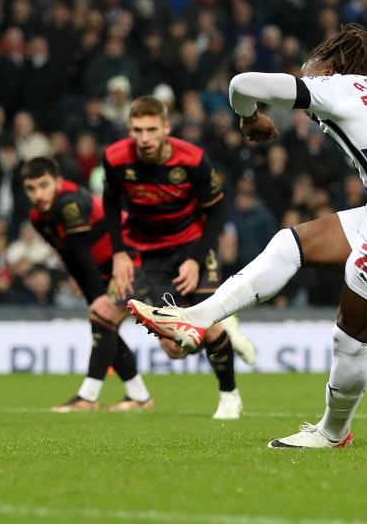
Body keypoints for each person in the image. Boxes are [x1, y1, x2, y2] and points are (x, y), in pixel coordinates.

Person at [129, 24, 367, 447]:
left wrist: (248, 116)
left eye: (308, 70)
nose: (303, 77)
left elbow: (242, 83)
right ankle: (197, 318)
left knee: (351, 337)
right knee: (290, 243)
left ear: (328, 67)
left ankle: (333, 433)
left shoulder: (334, 88)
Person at [104, 96, 256, 420]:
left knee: (207, 321)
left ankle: (229, 397)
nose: (144, 138)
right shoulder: (115, 159)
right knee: (175, 349)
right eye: (137, 130)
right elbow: (110, 203)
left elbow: (215, 214)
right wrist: (118, 253)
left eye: (151, 130)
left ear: (166, 129)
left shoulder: (193, 160)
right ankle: (223, 326)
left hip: (194, 245)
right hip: (150, 253)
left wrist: (195, 260)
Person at [21, 156, 153, 412]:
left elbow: (81, 253)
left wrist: (96, 298)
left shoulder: (70, 203)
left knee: (104, 321)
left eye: (43, 185)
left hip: (136, 259)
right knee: (104, 323)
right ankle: (139, 397)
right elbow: (69, 257)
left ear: (58, 182)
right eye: (31, 188)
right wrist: (92, 297)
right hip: (107, 270)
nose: (38, 194)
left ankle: (88, 398)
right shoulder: (38, 218)